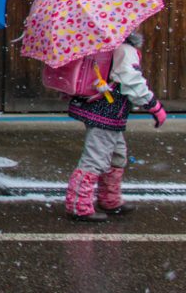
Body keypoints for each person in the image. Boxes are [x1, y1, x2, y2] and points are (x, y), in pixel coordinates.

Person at [65, 33, 167, 223]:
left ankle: (110, 199)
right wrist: (153, 105)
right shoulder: (124, 49)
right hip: (107, 111)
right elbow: (131, 82)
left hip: (98, 108)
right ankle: (78, 205)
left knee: (116, 154)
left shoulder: (99, 44)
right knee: (96, 158)